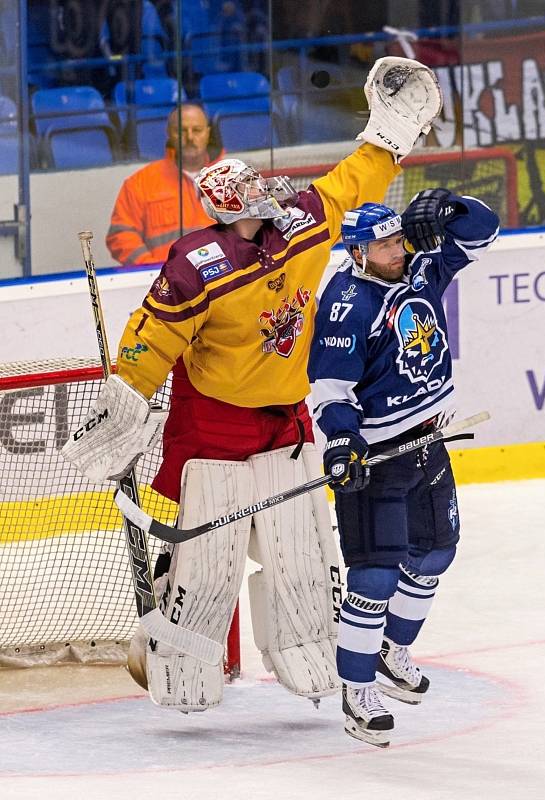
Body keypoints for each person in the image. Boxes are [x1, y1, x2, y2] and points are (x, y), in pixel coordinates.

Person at [62, 57, 443, 713]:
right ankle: (175, 658)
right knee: (209, 571)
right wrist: (124, 399)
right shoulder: (195, 266)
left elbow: (352, 183)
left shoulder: (303, 222)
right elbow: (150, 336)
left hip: (285, 418)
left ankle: (310, 648)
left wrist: (386, 139)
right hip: (214, 423)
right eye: (254, 193)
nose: (268, 198)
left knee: (301, 560)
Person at [308, 190, 499, 747]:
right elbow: (330, 390)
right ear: (359, 252)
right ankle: (356, 690)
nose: (399, 248)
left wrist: (451, 204)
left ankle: (394, 652)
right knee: (373, 578)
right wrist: (342, 445)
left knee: (436, 552)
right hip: (379, 461)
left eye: (398, 237)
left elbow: (483, 233)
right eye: (386, 243)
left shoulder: (420, 270)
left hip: (429, 444)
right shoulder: (348, 304)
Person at [106, 103, 222, 266]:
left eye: (197, 130)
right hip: (165, 284)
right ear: (169, 133)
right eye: (181, 130)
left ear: (208, 133)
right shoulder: (140, 183)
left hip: (224, 281)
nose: (189, 137)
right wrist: (153, 270)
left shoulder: (232, 178)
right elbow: (121, 235)